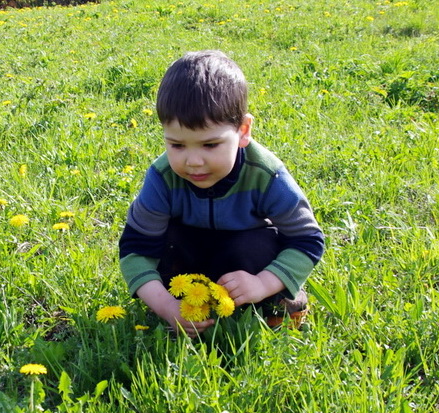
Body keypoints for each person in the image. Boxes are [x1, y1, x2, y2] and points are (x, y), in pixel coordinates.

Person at [119, 50, 325, 337]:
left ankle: (279, 299)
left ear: (243, 130)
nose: (193, 161)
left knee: (258, 246)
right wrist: (166, 305)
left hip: (245, 262)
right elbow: (135, 250)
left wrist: (264, 283)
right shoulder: (162, 178)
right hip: (187, 265)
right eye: (177, 145)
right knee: (164, 242)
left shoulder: (266, 175)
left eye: (210, 145)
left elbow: (307, 240)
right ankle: (188, 312)